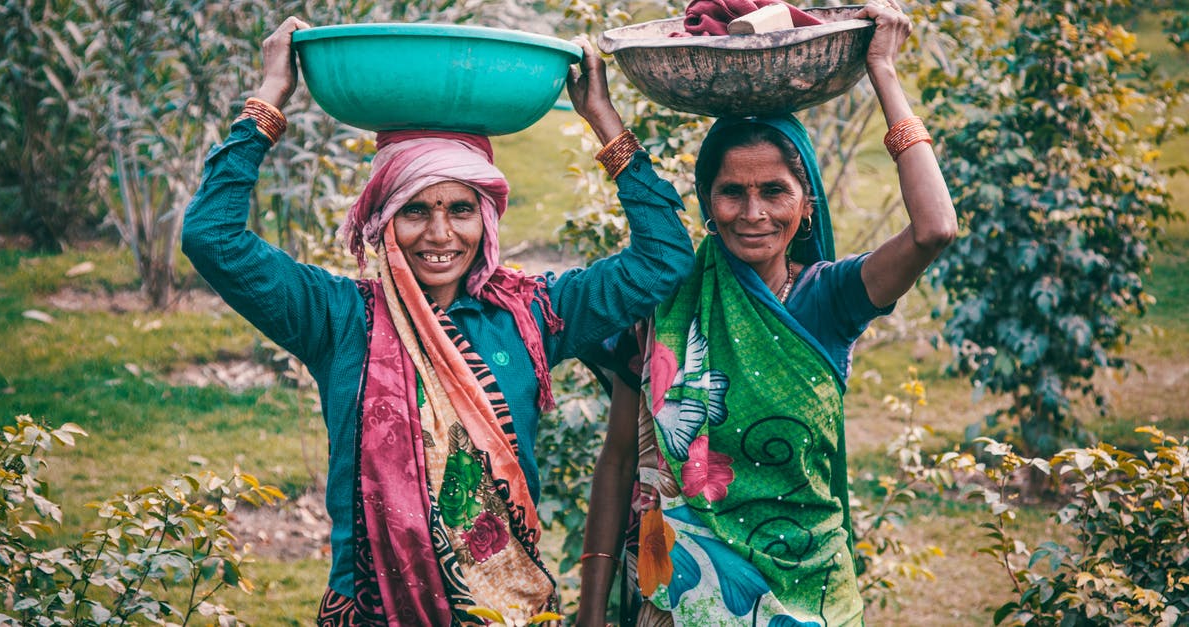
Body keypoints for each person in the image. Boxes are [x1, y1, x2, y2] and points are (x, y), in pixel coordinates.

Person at [181, 16, 694, 625]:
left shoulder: (531, 314)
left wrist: (603, 119)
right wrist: (269, 98)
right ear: (381, 220)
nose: (440, 234)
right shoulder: (339, 319)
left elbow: (663, 257)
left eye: (460, 210)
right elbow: (211, 237)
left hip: (505, 609)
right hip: (375, 612)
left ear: (488, 219)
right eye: (415, 210)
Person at [576, 0, 957, 625]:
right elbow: (619, 458)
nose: (753, 213)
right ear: (707, 202)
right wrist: (591, 612)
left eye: (774, 191)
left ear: (807, 204)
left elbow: (935, 227)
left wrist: (883, 70)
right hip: (681, 598)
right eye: (732, 191)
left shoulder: (830, 297)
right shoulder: (667, 302)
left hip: (811, 599)